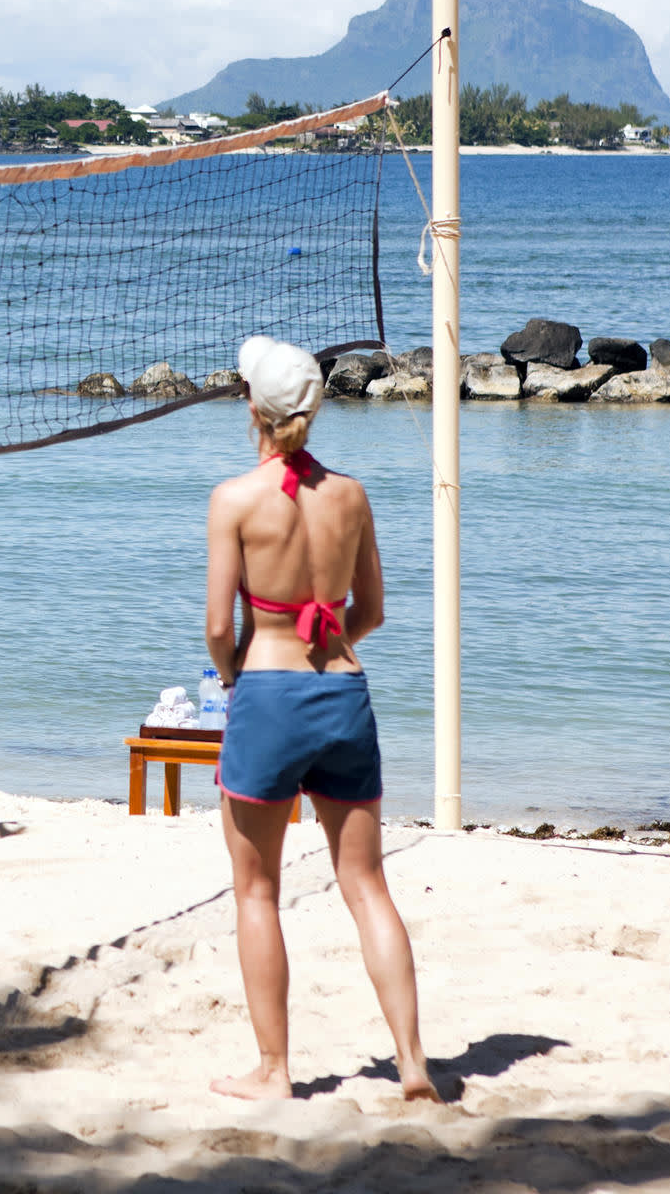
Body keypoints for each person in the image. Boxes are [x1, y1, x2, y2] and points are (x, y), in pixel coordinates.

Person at [204, 337, 435, 1104]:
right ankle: (411, 1064)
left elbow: (214, 628)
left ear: (254, 410)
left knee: (257, 892)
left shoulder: (234, 498)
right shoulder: (353, 495)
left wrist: (243, 676)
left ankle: (273, 1071)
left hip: (269, 693)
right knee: (367, 884)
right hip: (343, 691)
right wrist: (326, 637)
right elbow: (372, 611)